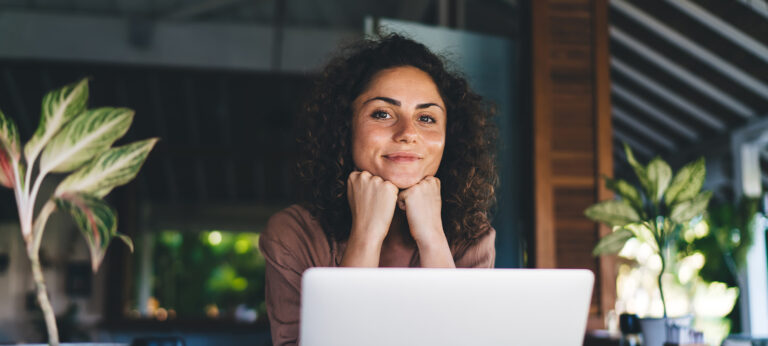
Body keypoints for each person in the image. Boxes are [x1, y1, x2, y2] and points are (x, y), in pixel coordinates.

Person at [258, 33, 499, 346]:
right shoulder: (294, 234)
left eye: (426, 118)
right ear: (345, 128)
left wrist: (432, 237)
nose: (408, 133)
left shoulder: (472, 234)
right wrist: (367, 235)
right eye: (383, 114)